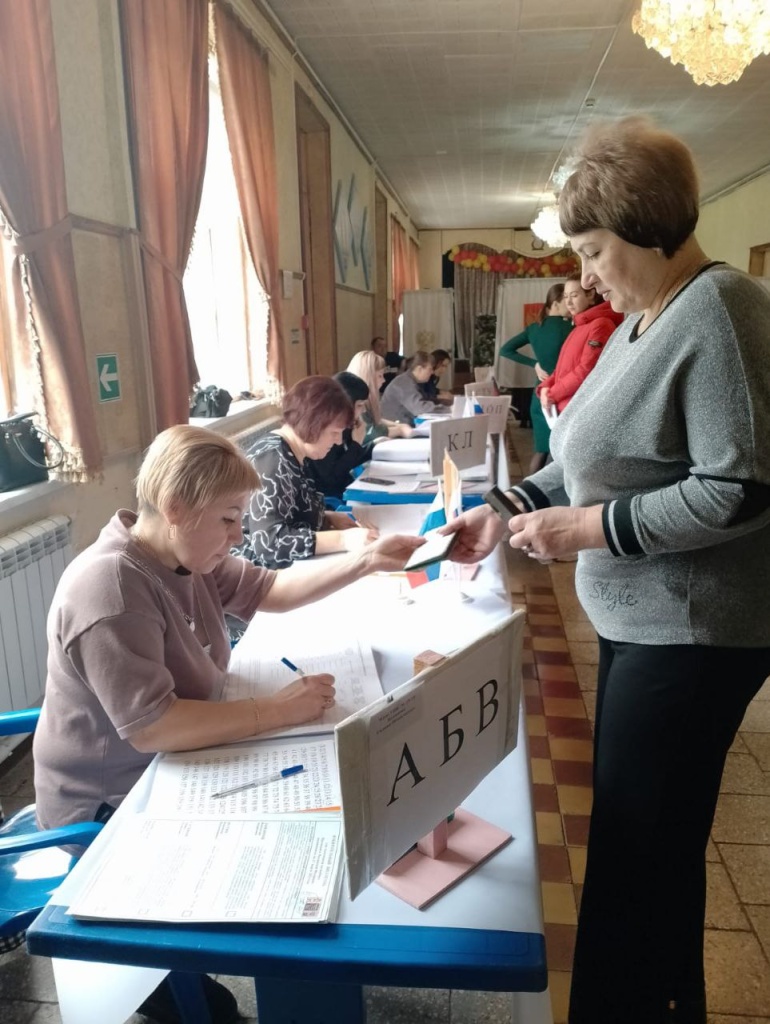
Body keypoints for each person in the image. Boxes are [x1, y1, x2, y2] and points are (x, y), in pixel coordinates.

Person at [442, 117, 770, 1024]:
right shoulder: (641, 318)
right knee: (649, 845)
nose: (584, 273)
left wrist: (588, 529)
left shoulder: (721, 309)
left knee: (635, 847)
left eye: (592, 249)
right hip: (641, 622)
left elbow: (739, 491)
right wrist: (501, 511)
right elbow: (586, 455)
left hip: (696, 632)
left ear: (650, 227)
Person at [33, 424, 423, 1023]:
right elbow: (153, 726)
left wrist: (367, 559)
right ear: (175, 509)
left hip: (171, 764)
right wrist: (276, 712)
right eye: (228, 518)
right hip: (111, 802)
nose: (240, 534)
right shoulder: (112, 586)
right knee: (278, 877)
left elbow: (274, 590)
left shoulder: (183, 554)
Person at [237, 376, 379, 569]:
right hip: (255, 575)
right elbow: (269, 545)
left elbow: (291, 512)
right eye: (334, 433)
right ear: (313, 424)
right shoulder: (273, 460)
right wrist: (342, 539)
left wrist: (327, 518)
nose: (338, 441)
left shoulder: (291, 453)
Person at [499, 283, 572, 472]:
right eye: (567, 299)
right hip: (566, 395)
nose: (571, 303)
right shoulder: (573, 328)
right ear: (556, 302)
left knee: (540, 452)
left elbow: (505, 350)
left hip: (540, 395)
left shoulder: (534, 328)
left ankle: (525, 495)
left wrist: (535, 364)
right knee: (565, 454)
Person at [536, 272, 622, 417]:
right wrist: (545, 387)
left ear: (590, 296)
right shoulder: (578, 326)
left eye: (574, 296)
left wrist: (552, 393)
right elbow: (562, 370)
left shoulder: (600, 324)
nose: (568, 302)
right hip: (565, 408)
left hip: (580, 410)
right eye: (566, 296)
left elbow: (587, 369)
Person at [304, 371, 378, 500]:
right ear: (346, 404)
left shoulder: (346, 425)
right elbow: (331, 479)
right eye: (360, 405)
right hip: (330, 496)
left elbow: (349, 459)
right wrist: (356, 444)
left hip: (346, 487)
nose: (364, 410)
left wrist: (374, 446)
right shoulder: (324, 429)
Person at [346, 350, 413, 443]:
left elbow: (374, 420)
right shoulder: (356, 401)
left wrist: (399, 425)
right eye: (380, 376)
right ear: (368, 376)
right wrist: (399, 430)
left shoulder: (364, 399)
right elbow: (369, 432)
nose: (384, 380)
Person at [380, 349, 451, 427]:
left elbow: (425, 400)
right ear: (420, 369)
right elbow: (420, 408)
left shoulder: (411, 381)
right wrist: (448, 409)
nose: (432, 372)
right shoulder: (404, 383)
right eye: (430, 369)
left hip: (402, 425)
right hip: (395, 429)